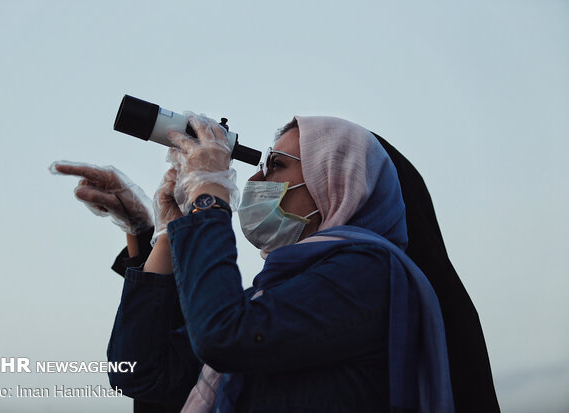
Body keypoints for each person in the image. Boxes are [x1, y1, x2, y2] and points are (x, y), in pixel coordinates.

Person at [51, 114, 498, 412]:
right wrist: (165, 234)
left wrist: (210, 198)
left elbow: (223, 335)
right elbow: (141, 372)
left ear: (337, 183)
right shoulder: (274, 295)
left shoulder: (369, 274)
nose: (254, 179)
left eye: (277, 166)